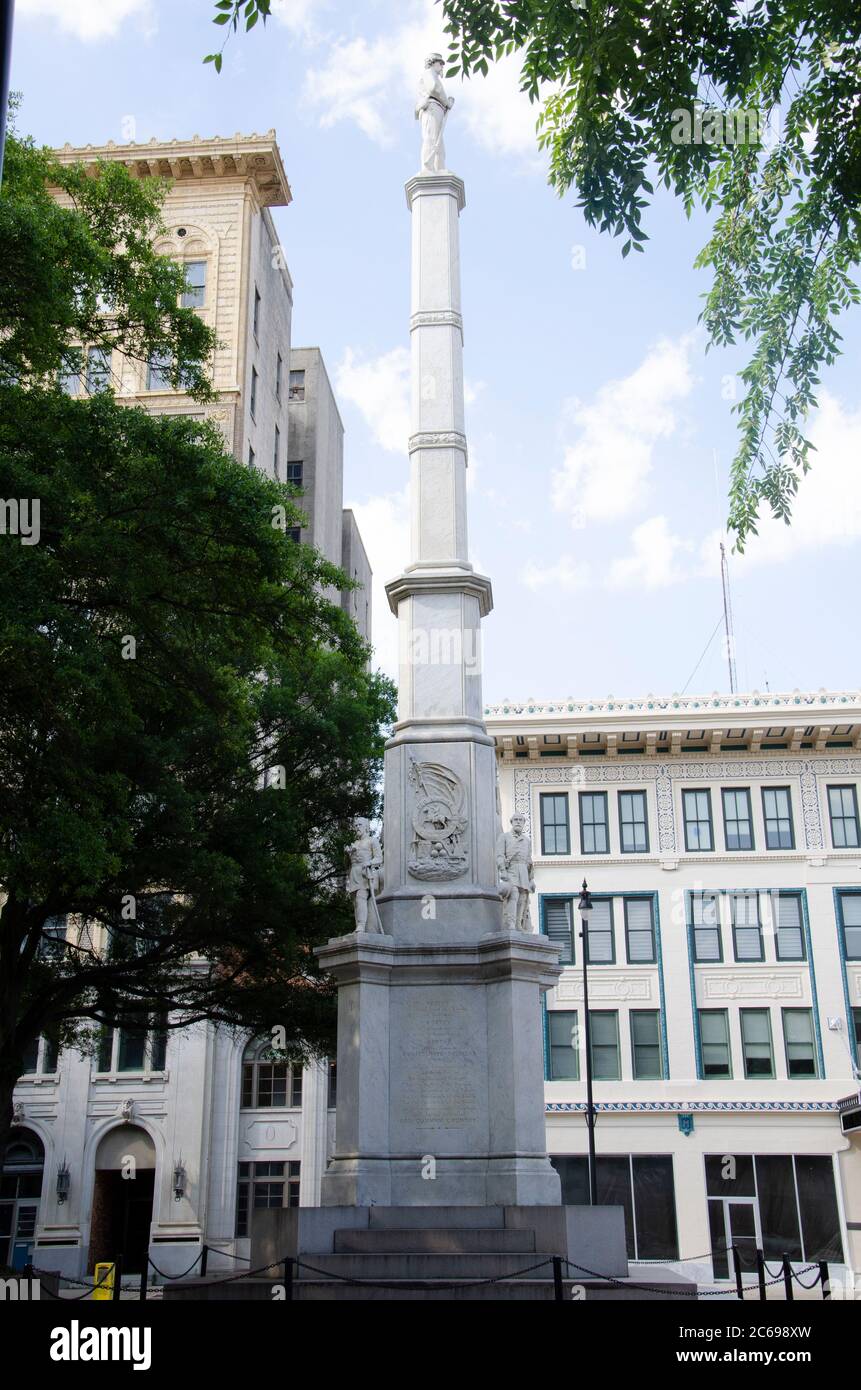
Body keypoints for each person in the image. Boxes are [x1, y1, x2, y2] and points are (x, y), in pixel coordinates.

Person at [416, 52, 454, 173]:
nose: (442, 66)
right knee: (431, 138)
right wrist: (446, 102)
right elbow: (433, 88)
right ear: (433, 62)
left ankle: (439, 168)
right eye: (440, 63)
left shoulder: (432, 75)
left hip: (437, 108)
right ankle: (428, 168)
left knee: (439, 142)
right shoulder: (428, 73)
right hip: (432, 108)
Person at [496, 813, 535, 932]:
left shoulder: (527, 841)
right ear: (511, 822)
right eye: (515, 820)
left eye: (520, 820)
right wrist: (502, 870)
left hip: (523, 870)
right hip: (511, 868)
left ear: (523, 823)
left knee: (523, 897)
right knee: (513, 894)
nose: (518, 822)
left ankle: (519, 924)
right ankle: (511, 923)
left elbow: (529, 860)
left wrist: (531, 878)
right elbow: (500, 855)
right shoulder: (504, 837)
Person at [346, 818, 383, 932]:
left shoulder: (372, 841)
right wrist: (347, 854)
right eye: (355, 825)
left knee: (360, 898)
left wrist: (369, 863)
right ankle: (359, 926)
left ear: (366, 827)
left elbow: (379, 858)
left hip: (365, 874)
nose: (357, 827)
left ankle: (361, 925)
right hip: (354, 873)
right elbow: (347, 864)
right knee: (355, 903)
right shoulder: (354, 844)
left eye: (359, 825)